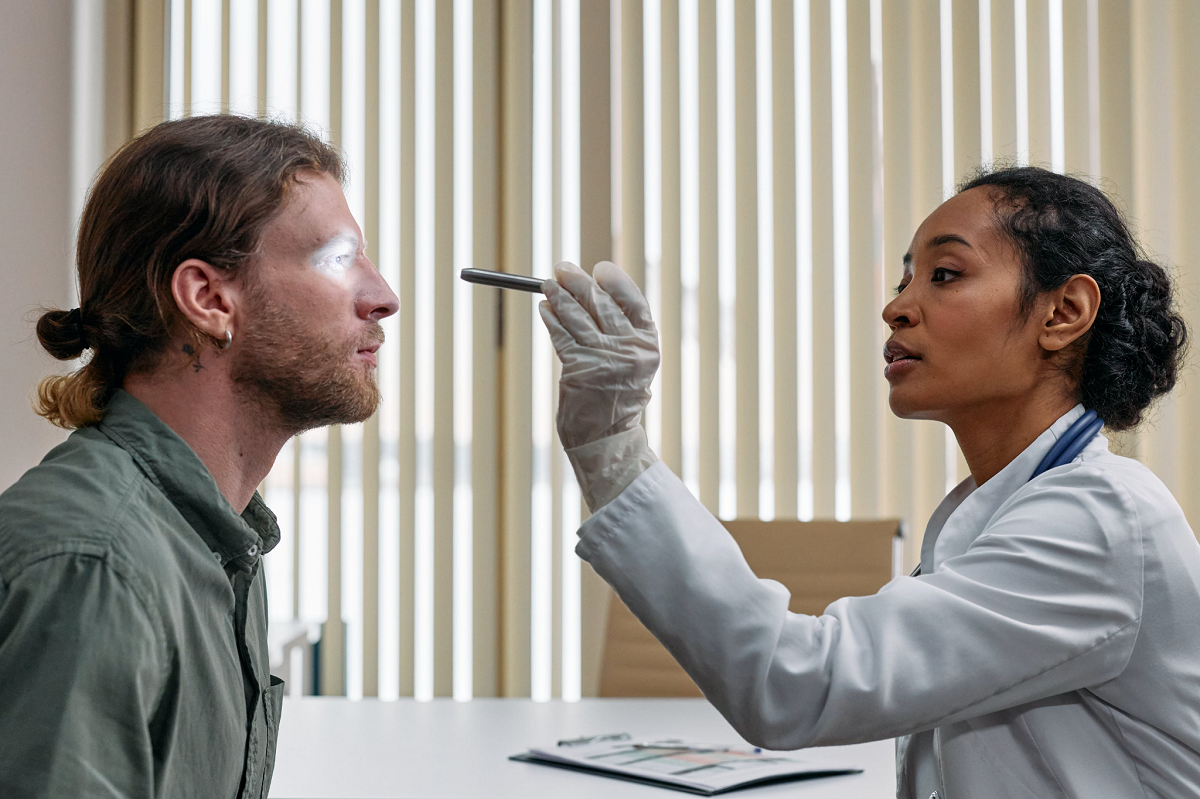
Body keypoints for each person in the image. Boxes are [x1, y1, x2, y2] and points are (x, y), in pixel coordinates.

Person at [539, 166, 1200, 798]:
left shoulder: (1101, 519)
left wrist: (615, 450)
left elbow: (798, 682)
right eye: (906, 278)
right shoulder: (1007, 508)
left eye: (945, 273)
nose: (895, 308)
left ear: (1063, 312)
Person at [0, 115, 398, 798]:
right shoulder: (95, 567)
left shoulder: (218, 537)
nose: (382, 298)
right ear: (209, 299)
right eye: (338, 259)